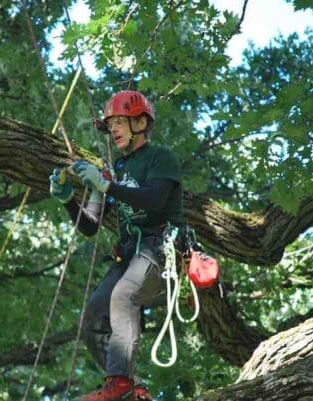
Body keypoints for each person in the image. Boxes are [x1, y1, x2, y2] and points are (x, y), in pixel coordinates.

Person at [49, 90, 183, 401]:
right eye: (110, 126)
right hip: (130, 256)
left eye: (119, 122)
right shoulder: (113, 173)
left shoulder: (160, 158)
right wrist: (69, 199)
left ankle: (120, 381)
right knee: (95, 314)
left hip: (159, 249)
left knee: (123, 296)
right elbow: (89, 225)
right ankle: (128, 388)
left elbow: (155, 200)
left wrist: (107, 185)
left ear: (140, 122)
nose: (114, 131)